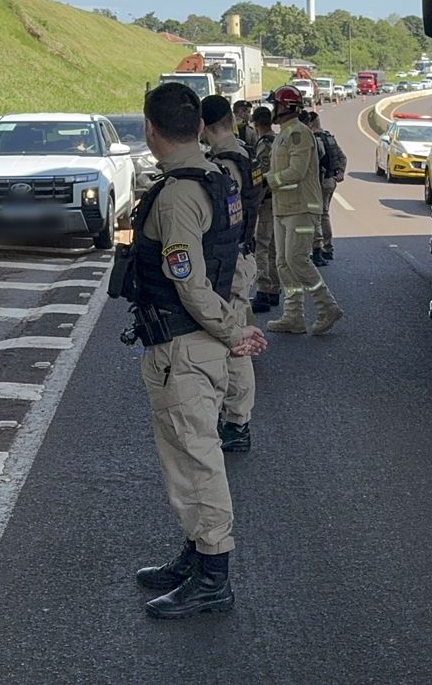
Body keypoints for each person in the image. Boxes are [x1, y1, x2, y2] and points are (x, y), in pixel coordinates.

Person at [119, 82, 267, 619]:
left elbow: (190, 281)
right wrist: (232, 329)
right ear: (199, 127)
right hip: (200, 343)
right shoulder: (218, 175)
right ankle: (195, 552)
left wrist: (232, 332)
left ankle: (213, 576)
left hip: (184, 346)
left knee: (196, 460)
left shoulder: (179, 195)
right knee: (187, 459)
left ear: (150, 129)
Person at [200, 95, 261, 453]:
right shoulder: (243, 152)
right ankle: (233, 417)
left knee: (234, 343)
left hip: (232, 263)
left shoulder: (225, 166)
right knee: (232, 338)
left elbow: (221, 221)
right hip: (243, 256)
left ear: (203, 126)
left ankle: (237, 423)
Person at [266, 86, 342, 335]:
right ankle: (293, 315)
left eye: (275, 105)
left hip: (301, 207)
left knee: (297, 260)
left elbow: (296, 173)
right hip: (283, 208)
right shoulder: (284, 135)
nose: (272, 110)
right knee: (283, 263)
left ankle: (327, 306)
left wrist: (267, 180)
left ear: (286, 107)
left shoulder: (299, 134)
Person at [249, 105, 280, 313]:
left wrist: (255, 201)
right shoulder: (279, 140)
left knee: (262, 245)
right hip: (278, 199)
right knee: (273, 248)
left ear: (256, 123)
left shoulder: (264, 144)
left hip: (267, 199)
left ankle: (263, 289)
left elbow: (262, 176)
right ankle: (274, 289)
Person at [305, 112, 346, 263]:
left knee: (317, 215)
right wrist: (340, 173)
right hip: (331, 180)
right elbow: (342, 157)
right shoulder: (329, 138)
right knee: (324, 214)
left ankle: (319, 247)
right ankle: (327, 247)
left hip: (319, 182)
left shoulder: (314, 141)